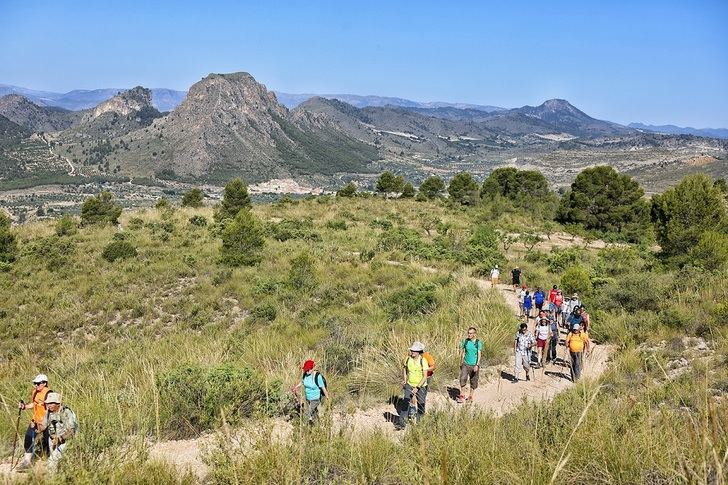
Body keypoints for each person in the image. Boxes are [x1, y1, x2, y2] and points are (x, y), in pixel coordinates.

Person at [16, 374, 51, 471]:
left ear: (44, 383)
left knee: (48, 443)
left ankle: (50, 463)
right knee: (28, 438)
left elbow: (50, 410)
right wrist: (25, 407)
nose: (36, 385)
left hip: (46, 423)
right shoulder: (35, 392)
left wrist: (44, 424)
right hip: (35, 421)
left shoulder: (48, 393)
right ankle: (27, 462)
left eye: (38, 383)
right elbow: (34, 404)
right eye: (34, 383)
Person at [38, 392, 78, 472]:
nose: (48, 406)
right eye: (47, 403)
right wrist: (36, 426)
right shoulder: (48, 412)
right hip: (53, 440)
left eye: (51, 403)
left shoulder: (66, 412)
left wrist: (59, 439)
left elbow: (72, 431)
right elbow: (43, 426)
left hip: (67, 440)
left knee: (52, 461)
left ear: (58, 403)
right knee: (56, 461)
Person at [396, 342, 429, 430]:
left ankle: (420, 424)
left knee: (421, 404)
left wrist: (417, 387)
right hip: (409, 385)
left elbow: (425, 376)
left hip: (421, 386)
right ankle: (402, 424)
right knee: (405, 403)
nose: (412, 352)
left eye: (414, 351)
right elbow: (404, 368)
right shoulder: (407, 359)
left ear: (419, 352)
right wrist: (405, 380)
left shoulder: (423, 361)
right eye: (411, 350)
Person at [291, 360, 330, 425]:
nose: (306, 371)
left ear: (312, 368)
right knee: (314, 413)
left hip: (316, 399)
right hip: (308, 398)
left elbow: (323, 387)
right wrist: (296, 387)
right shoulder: (305, 375)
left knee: (307, 412)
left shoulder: (317, 376)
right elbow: (302, 382)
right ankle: (318, 427)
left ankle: (304, 427)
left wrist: (327, 397)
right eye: (305, 369)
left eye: (308, 370)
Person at [457, 327, 482, 403]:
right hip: (465, 363)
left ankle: (470, 396)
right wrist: (461, 361)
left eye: (471, 333)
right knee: (462, 379)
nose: (469, 334)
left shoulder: (478, 342)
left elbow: (479, 354)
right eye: (468, 333)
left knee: (473, 381)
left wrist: (477, 365)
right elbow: (463, 351)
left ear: (474, 334)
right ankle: (462, 395)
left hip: (474, 364)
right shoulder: (465, 341)